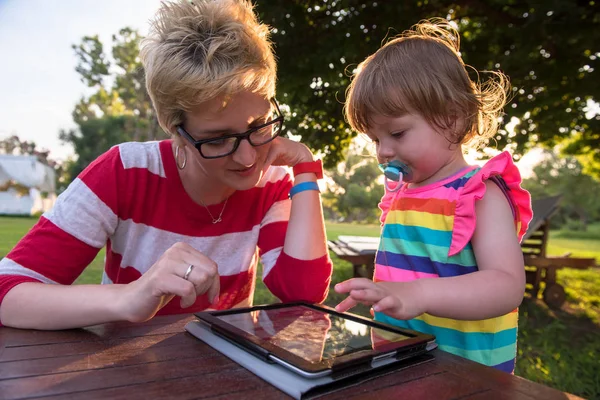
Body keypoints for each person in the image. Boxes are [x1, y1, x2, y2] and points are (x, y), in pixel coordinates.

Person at [0, 0, 332, 330]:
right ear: (177, 131)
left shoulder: (272, 180)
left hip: (223, 370)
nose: (248, 159)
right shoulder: (125, 172)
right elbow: (7, 291)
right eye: (217, 140)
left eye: (259, 125)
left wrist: (304, 168)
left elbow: (302, 294)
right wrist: (129, 298)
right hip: (119, 371)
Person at [334, 19, 533, 373]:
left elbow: (506, 285)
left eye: (397, 132)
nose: (382, 151)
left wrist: (419, 294)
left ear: (453, 119)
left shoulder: (479, 192)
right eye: (375, 138)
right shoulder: (401, 193)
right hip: (403, 362)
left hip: (466, 372)